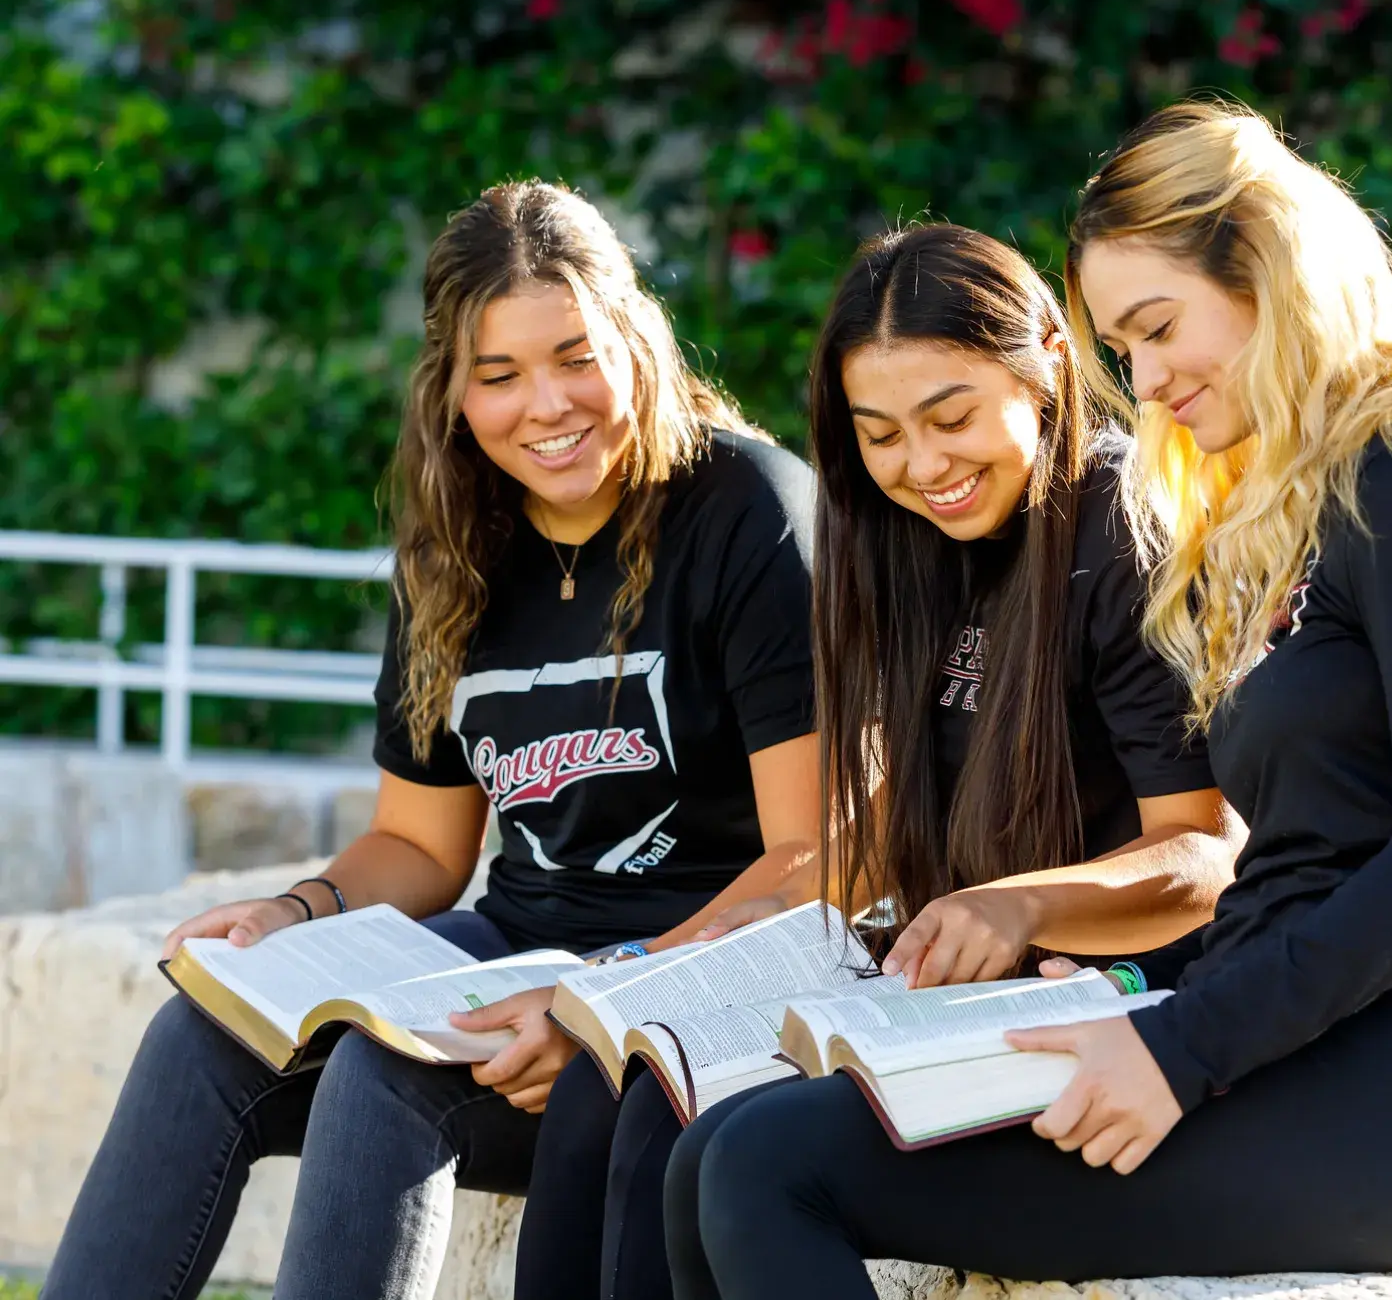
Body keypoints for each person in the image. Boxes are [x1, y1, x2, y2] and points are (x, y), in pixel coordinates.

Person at [662, 101, 1392, 1298]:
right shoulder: (1291, 510)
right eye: (1119, 347)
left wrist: (1178, 1048)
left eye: (1156, 328)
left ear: (1270, 271)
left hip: (1389, 1098)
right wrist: (1139, 1010)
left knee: (769, 1165)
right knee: (712, 1146)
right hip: (1254, 1038)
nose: (1141, 380)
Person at [42, 180, 824, 1300]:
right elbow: (418, 845)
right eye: (497, 375)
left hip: (695, 981)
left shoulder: (745, 507)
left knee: (384, 1071)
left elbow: (816, 858)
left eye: (574, 356)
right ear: (450, 391)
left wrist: (604, 1002)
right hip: (518, 952)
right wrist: (292, 912)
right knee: (196, 1037)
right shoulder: (454, 547)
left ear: (635, 337)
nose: (545, 405)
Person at [513, 223, 1236, 1300]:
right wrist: (658, 966)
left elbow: (1205, 853)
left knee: (717, 1146)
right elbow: (854, 856)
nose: (923, 465)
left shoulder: (1118, 528)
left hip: (1109, 1010)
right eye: (880, 435)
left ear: (1043, 353)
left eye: (950, 417)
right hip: (922, 986)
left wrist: (1015, 908)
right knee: (613, 1077)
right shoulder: (895, 544)